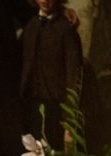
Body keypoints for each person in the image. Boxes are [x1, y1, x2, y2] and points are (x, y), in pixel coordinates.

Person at [20, 0, 83, 148]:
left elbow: (74, 78)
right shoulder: (31, 27)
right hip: (33, 109)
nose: (44, 0)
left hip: (58, 111)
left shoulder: (66, 29)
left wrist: (70, 122)